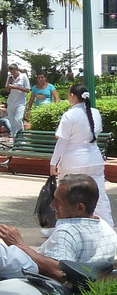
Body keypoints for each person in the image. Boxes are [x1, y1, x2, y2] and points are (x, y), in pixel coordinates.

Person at [0, 174, 117, 276]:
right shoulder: (106, 228)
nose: (52, 205)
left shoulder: (67, 231)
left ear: (80, 208)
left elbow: (59, 273)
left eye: (58, 201)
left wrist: (20, 245)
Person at [50, 83, 113, 226]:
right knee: (100, 196)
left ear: (72, 96)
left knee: (67, 197)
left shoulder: (69, 115)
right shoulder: (95, 113)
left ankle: (64, 227)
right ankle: (108, 227)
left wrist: (53, 163)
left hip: (73, 161)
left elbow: (62, 142)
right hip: (94, 160)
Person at [5, 62, 30, 136]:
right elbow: (7, 90)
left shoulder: (24, 77)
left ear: (17, 70)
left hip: (20, 102)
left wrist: (16, 87)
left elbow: (28, 90)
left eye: (14, 72)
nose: (13, 74)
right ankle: (15, 140)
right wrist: (9, 83)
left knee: (18, 119)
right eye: (11, 72)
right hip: (11, 102)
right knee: (12, 122)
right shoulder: (9, 77)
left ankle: (22, 137)